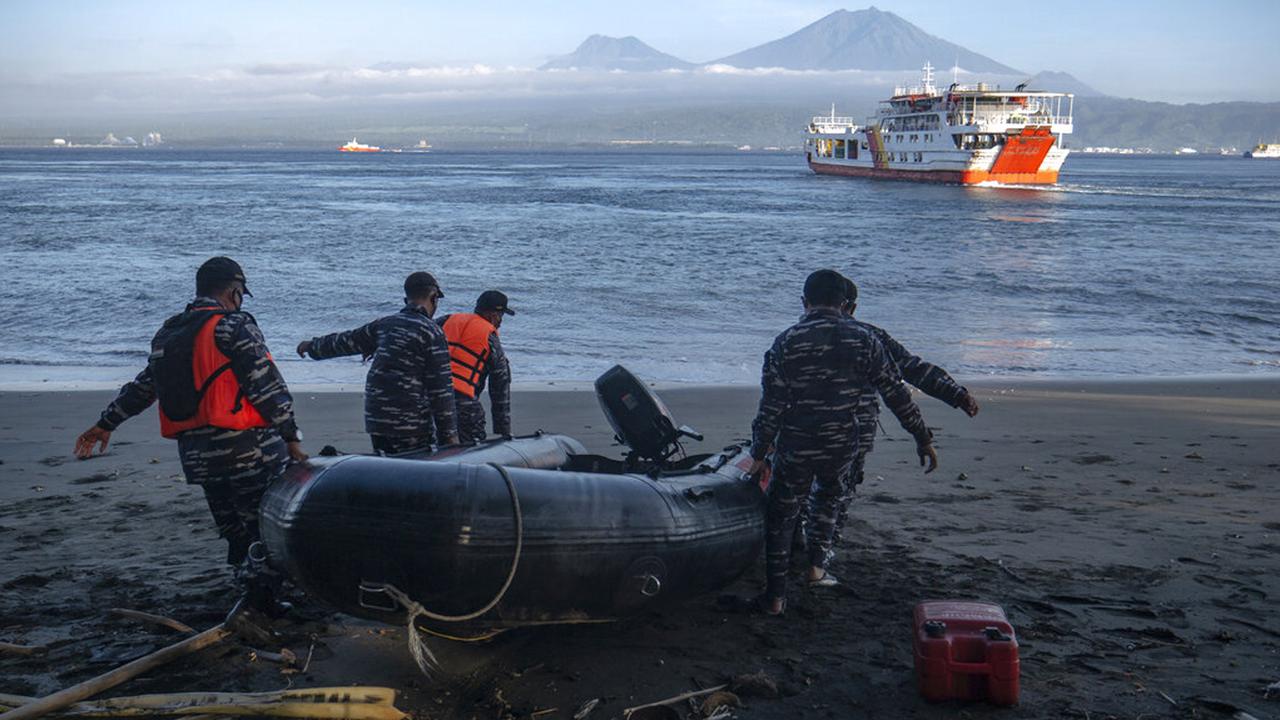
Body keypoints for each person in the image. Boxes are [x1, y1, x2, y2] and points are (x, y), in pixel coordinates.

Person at [74, 256, 307, 608]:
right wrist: (291, 436)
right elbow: (266, 385)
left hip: (197, 455)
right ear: (233, 291)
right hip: (245, 449)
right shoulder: (233, 326)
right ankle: (264, 601)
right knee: (262, 524)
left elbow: (145, 386)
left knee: (231, 526)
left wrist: (106, 423)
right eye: (241, 293)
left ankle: (246, 587)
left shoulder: (170, 333)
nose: (240, 299)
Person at [747, 269, 938, 616]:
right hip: (843, 443)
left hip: (797, 443)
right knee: (828, 501)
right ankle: (816, 569)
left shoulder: (787, 341)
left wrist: (759, 452)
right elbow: (896, 393)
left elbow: (771, 405)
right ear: (846, 304)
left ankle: (775, 598)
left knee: (781, 515)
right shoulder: (865, 340)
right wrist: (922, 437)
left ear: (804, 302)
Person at [296, 272, 457, 455]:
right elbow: (441, 389)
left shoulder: (385, 325)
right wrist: (449, 438)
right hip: (411, 422)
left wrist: (312, 346)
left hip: (377, 419)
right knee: (411, 473)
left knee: (384, 465)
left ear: (406, 300)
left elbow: (347, 341)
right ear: (434, 298)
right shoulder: (432, 332)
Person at [438, 290, 514, 444]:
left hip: (431, 399)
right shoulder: (490, 338)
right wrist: (503, 430)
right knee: (471, 450)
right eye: (501, 316)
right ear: (494, 315)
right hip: (463, 405)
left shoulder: (446, 320)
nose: (500, 322)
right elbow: (500, 386)